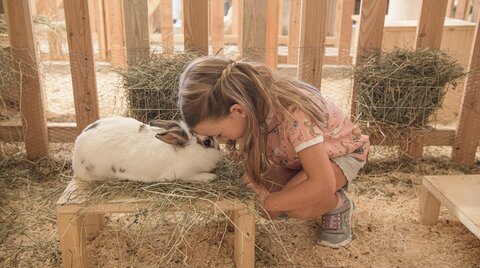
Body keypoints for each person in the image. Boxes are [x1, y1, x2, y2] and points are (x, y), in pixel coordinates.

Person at [177, 56, 370, 248]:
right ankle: (298, 189)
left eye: (219, 134)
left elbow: (322, 184)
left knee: (295, 206)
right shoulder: (250, 106)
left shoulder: (294, 117)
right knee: (267, 209)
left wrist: (268, 200)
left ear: (237, 110)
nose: (221, 140)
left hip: (340, 153)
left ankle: (338, 205)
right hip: (296, 159)